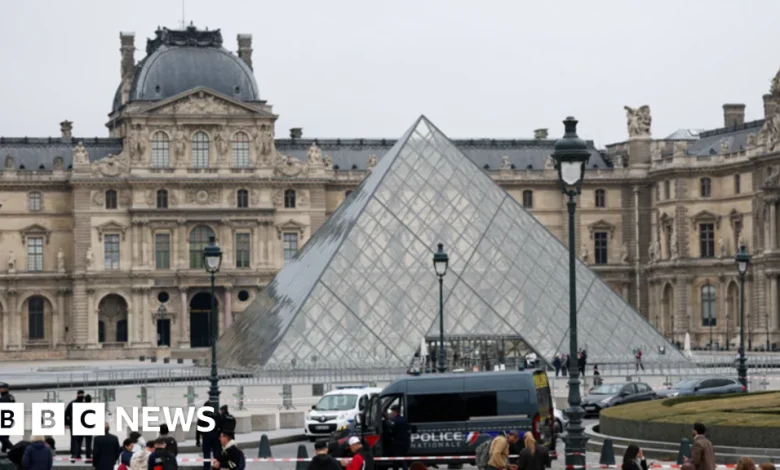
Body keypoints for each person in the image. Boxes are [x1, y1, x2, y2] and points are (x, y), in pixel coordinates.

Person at [385, 406, 410, 470]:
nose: (391, 413)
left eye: (392, 411)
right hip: (405, 442)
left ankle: (405, 468)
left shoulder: (396, 420)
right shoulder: (403, 419)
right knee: (398, 457)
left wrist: (385, 420)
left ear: (395, 412)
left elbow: (390, 426)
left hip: (398, 442)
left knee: (400, 457)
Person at [200, 401, 222, 470]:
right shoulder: (216, 413)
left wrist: (199, 437)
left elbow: (199, 426)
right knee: (216, 453)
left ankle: (206, 467)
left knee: (206, 453)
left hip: (206, 435)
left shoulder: (203, 414)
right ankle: (216, 467)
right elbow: (220, 425)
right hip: (215, 435)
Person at [64, 389, 85, 459]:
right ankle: (74, 453)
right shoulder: (73, 403)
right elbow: (66, 414)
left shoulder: (74, 403)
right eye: (81, 394)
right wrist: (66, 423)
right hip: (75, 424)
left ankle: (77, 453)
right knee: (75, 439)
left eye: (82, 394)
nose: (81, 396)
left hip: (80, 424)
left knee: (79, 439)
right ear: (78, 394)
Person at [0, 383, 15, 453]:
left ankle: (13, 449)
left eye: (1, 388)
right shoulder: (11, 397)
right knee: (5, 437)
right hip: (10, 419)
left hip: (4, 419)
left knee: (2, 437)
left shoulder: (3, 398)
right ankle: (4, 451)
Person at [84, 394, 94, 461]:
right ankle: (88, 454)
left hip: (82, 425)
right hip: (89, 426)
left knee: (78, 441)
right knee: (88, 442)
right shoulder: (93, 407)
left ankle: (77, 454)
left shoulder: (82, 406)